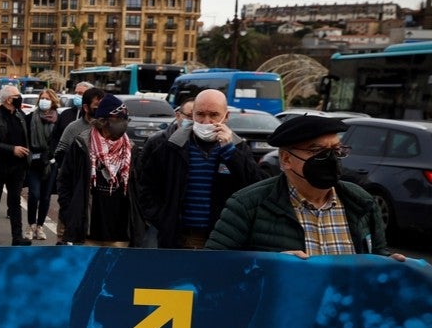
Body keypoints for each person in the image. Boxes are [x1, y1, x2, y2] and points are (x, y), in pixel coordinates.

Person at [206, 115, 404, 260]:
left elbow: (377, 256)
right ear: (286, 159)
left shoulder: (362, 202)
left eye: (336, 150)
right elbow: (213, 266)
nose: (330, 159)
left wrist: (388, 263)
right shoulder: (248, 205)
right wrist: (270, 266)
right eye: (317, 151)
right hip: (280, 315)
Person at [138, 89, 260, 249]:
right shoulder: (169, 145)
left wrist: (231, 152)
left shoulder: (238, 148)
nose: (206, 121)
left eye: (214, 115)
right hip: (177, 239)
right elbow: (144, 187)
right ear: (192, 114)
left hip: (221, 240)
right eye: (200, 114)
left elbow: (254, 187)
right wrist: (164, 219)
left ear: (226, 116)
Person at [56, 94, 144, 247]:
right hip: (88, 231)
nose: (123, 124)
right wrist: (69, 215)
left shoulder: (131, 149)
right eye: (118, 120)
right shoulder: (81, 145)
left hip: (121, 233)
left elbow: (140, 187)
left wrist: (140, 221)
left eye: (126, 120)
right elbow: (65, 182)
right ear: (102, 121)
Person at [0, 85, 32, 245]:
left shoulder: (20, 115)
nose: (20, 98)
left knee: (14, 200)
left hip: (17, 167)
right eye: (17, 96)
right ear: (9, 99)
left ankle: (17, 237)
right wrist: (12, 149)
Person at [25, 89, 62, 241]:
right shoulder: (30, 118)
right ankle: (31, 225)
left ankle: (40, 226)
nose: (44, 101)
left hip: (51, 162)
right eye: (42, 98)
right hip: (34, 161)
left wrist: (53, 155)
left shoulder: (58, 119)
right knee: (34, 194)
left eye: (47, 98)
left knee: (46, 197)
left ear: (53, 101)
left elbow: (60, 140)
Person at [54, 86, 104, 159]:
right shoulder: (73, 128)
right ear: (86, 108)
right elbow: (60, 153)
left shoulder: (107, 127)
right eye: (97, 105)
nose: (101, 108)